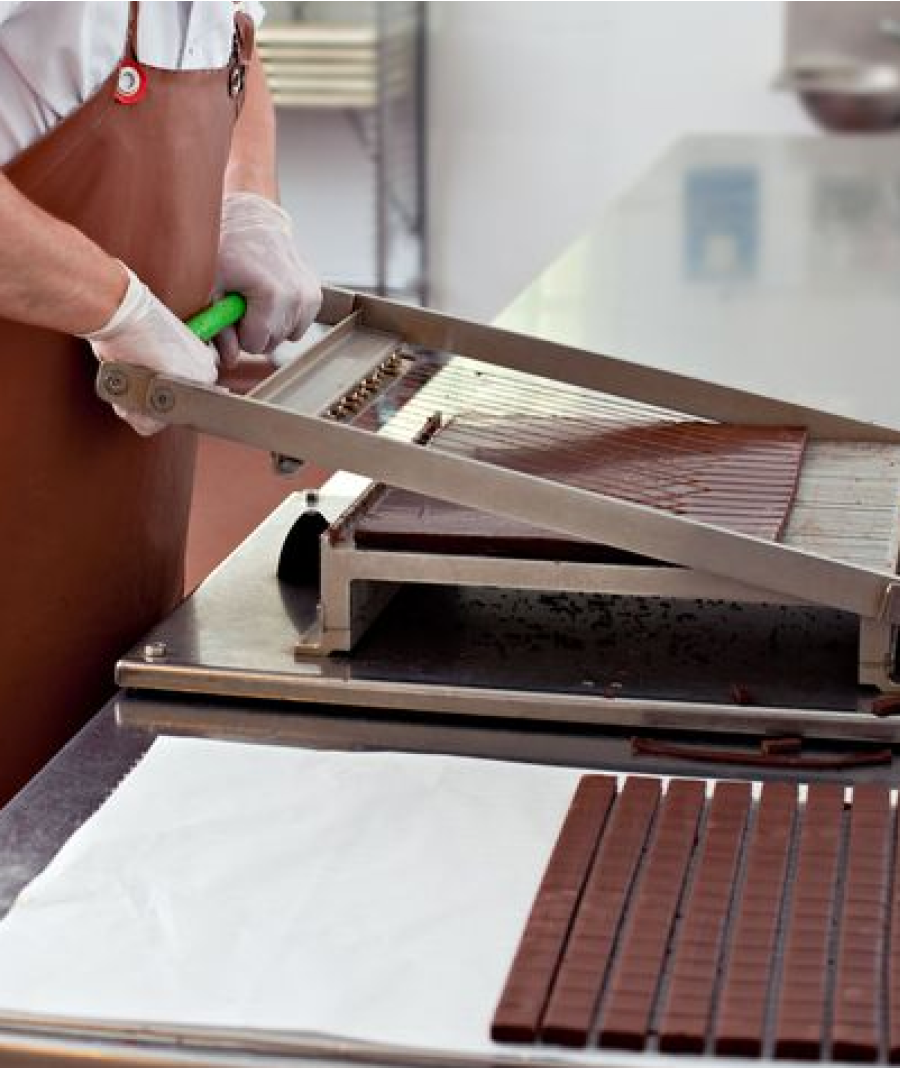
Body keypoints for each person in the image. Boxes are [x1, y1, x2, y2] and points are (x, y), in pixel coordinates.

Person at [0, 1, 322, 802]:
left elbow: (238, 49)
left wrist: (247, 202)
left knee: (83, 782)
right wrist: (114, 304)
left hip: (122, 496)